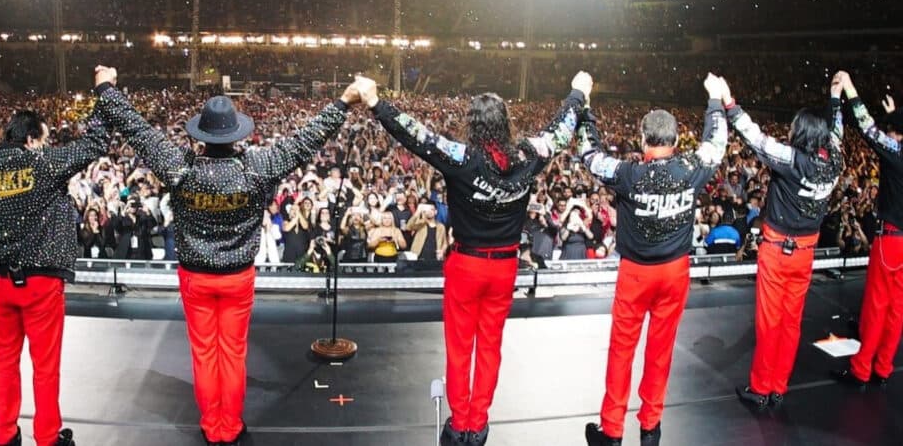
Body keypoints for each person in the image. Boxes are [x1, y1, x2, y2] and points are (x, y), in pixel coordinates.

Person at [93, 65, 370, 446]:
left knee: (205, 355)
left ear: (201, 136)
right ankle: (231, 426)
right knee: (233, 353)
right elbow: (305, 140)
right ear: (237, 133)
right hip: (239, 278)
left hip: (195, 278)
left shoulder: (180, 167)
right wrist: (342, 102)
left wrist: (107, 89)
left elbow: (138, 132)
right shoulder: (257, 167)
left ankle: (213, 427)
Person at [361, 72, 589, 446]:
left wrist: (375, 103)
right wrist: (578, 94)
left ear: (473, 125)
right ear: (505, 125)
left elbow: (416, 135)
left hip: (466, 265)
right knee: (490, 346)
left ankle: (460, 422)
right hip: (504, 268)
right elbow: (560, 132)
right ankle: (479, 423)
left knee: (459, 345)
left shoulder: (461, 158)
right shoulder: (528, 156)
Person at [0, 70, 110, 446]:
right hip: (40, 285)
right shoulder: (42, 164)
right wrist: (103, 90)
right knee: (45, 367)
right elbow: (96, 142)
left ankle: (4, 433)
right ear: (31, 140)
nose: (47, 145)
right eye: (44, 139)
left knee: (4, 359)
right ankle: (46, 436)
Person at [582, 74, 729, 446]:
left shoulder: (629, 174)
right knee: (660, 351)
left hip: (635, 276)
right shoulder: (692, 168)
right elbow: (717, 142)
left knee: (622, 350)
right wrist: (714, 100)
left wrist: (584, 105)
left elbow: (589, 155)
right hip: (675, 274)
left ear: (643, 139)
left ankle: (612, 431)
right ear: (677, 141)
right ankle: (651, 427)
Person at [726, 75, 843, 411]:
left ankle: (760, 388)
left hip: (778, 251)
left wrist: (729, 103)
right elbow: (837, 132)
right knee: (792, 323)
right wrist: (835, 99)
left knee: (769, 321)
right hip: (806, 253)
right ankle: (779, 386)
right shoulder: (833, 162)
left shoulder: (792, 160)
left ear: (800, 133)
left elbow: (755, 138)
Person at [832, 72, 903, 388]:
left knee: (876, 306)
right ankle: (884, 368)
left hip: (891, 240)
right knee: (898, 310)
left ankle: (862, 370)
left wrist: (850, 90)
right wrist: (893, 116)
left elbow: (868, 128)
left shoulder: (897, 153)